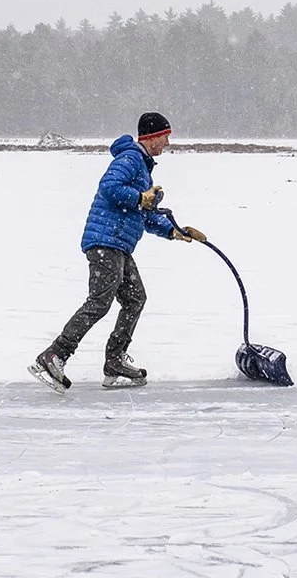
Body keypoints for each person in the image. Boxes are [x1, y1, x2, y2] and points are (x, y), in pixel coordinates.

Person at [31, 112, 205, 392]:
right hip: (106, 241)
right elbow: (110, 187)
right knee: (100, 301)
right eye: (165, 137)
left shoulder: (144, 169)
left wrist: (174, 231)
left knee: (136, 298)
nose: (167, 143)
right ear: (151, 137)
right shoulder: (130, 159)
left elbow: (145, 216)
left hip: (119, 245)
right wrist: (140, 197)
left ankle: (114, 361)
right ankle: (54, 355)